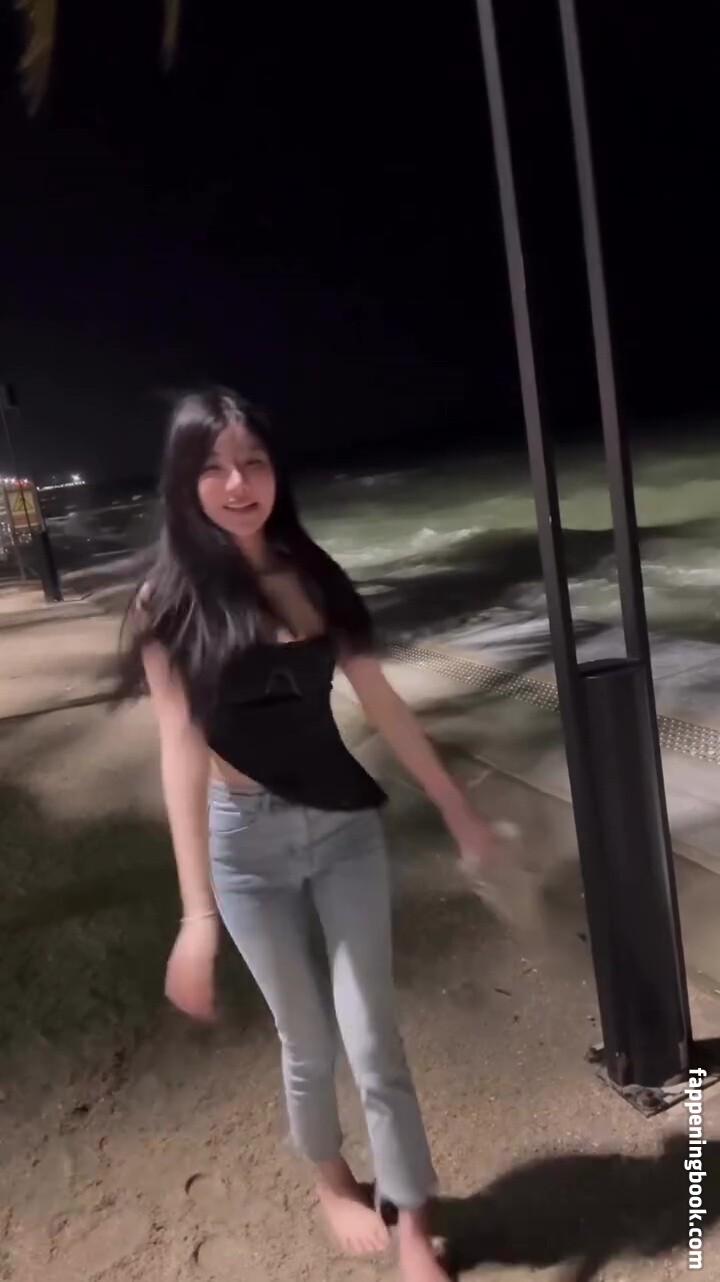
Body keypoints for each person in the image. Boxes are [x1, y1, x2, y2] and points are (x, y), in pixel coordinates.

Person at [120, 388, 496, 1282]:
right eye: (214, 467)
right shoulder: (164, 602)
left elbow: (381, 701)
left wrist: (454, 804)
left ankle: (412, 1222)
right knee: (308, 1042)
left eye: (252, 462)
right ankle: (333, 1184)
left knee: (373, 1039)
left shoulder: (314, 576)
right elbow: (180, 749)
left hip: (342, 829)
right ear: (184, 482)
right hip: (242, 848)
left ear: (276, 472)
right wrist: (196, 916)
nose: (237, 483)